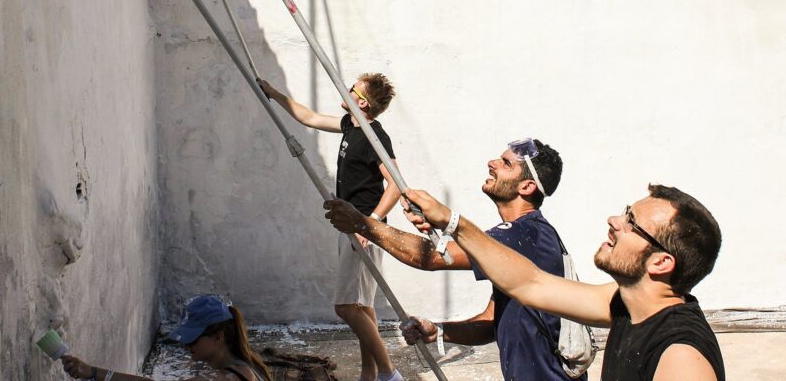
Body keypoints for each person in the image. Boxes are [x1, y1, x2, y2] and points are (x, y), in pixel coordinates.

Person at [401, 184, 726, 381]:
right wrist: (452, 222)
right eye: (625, 212)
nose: (614, 221)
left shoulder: (681, 356)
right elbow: (530, 284)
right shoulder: (626, 302)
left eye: (631, 223)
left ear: (660, 262)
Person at [324, 138, 583, 380]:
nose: (492, 164)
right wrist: (440, 331)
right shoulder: (525, 235)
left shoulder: (524, 235)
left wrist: (362, 223)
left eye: (506, 164)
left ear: (526, 186)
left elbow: (432, 258)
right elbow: (492, 321)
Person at [258, 73, 404, 381]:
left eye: (352, 89)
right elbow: (308, 117)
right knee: (363, 306)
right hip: (352, 226)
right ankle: (371, 374)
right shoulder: (350, 125)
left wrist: (370, 224)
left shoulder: (374, 136)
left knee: (345, 307)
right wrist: (271, 91)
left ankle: (389, 375)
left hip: (362, 229)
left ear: (362, 102)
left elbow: (396, 186)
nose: (345, 89)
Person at [61, 295, 272, 381]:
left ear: (218, 337)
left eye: (193, 339)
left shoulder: (230, 377)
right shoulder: (243, 366)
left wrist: (92, 372)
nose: (187, 345)